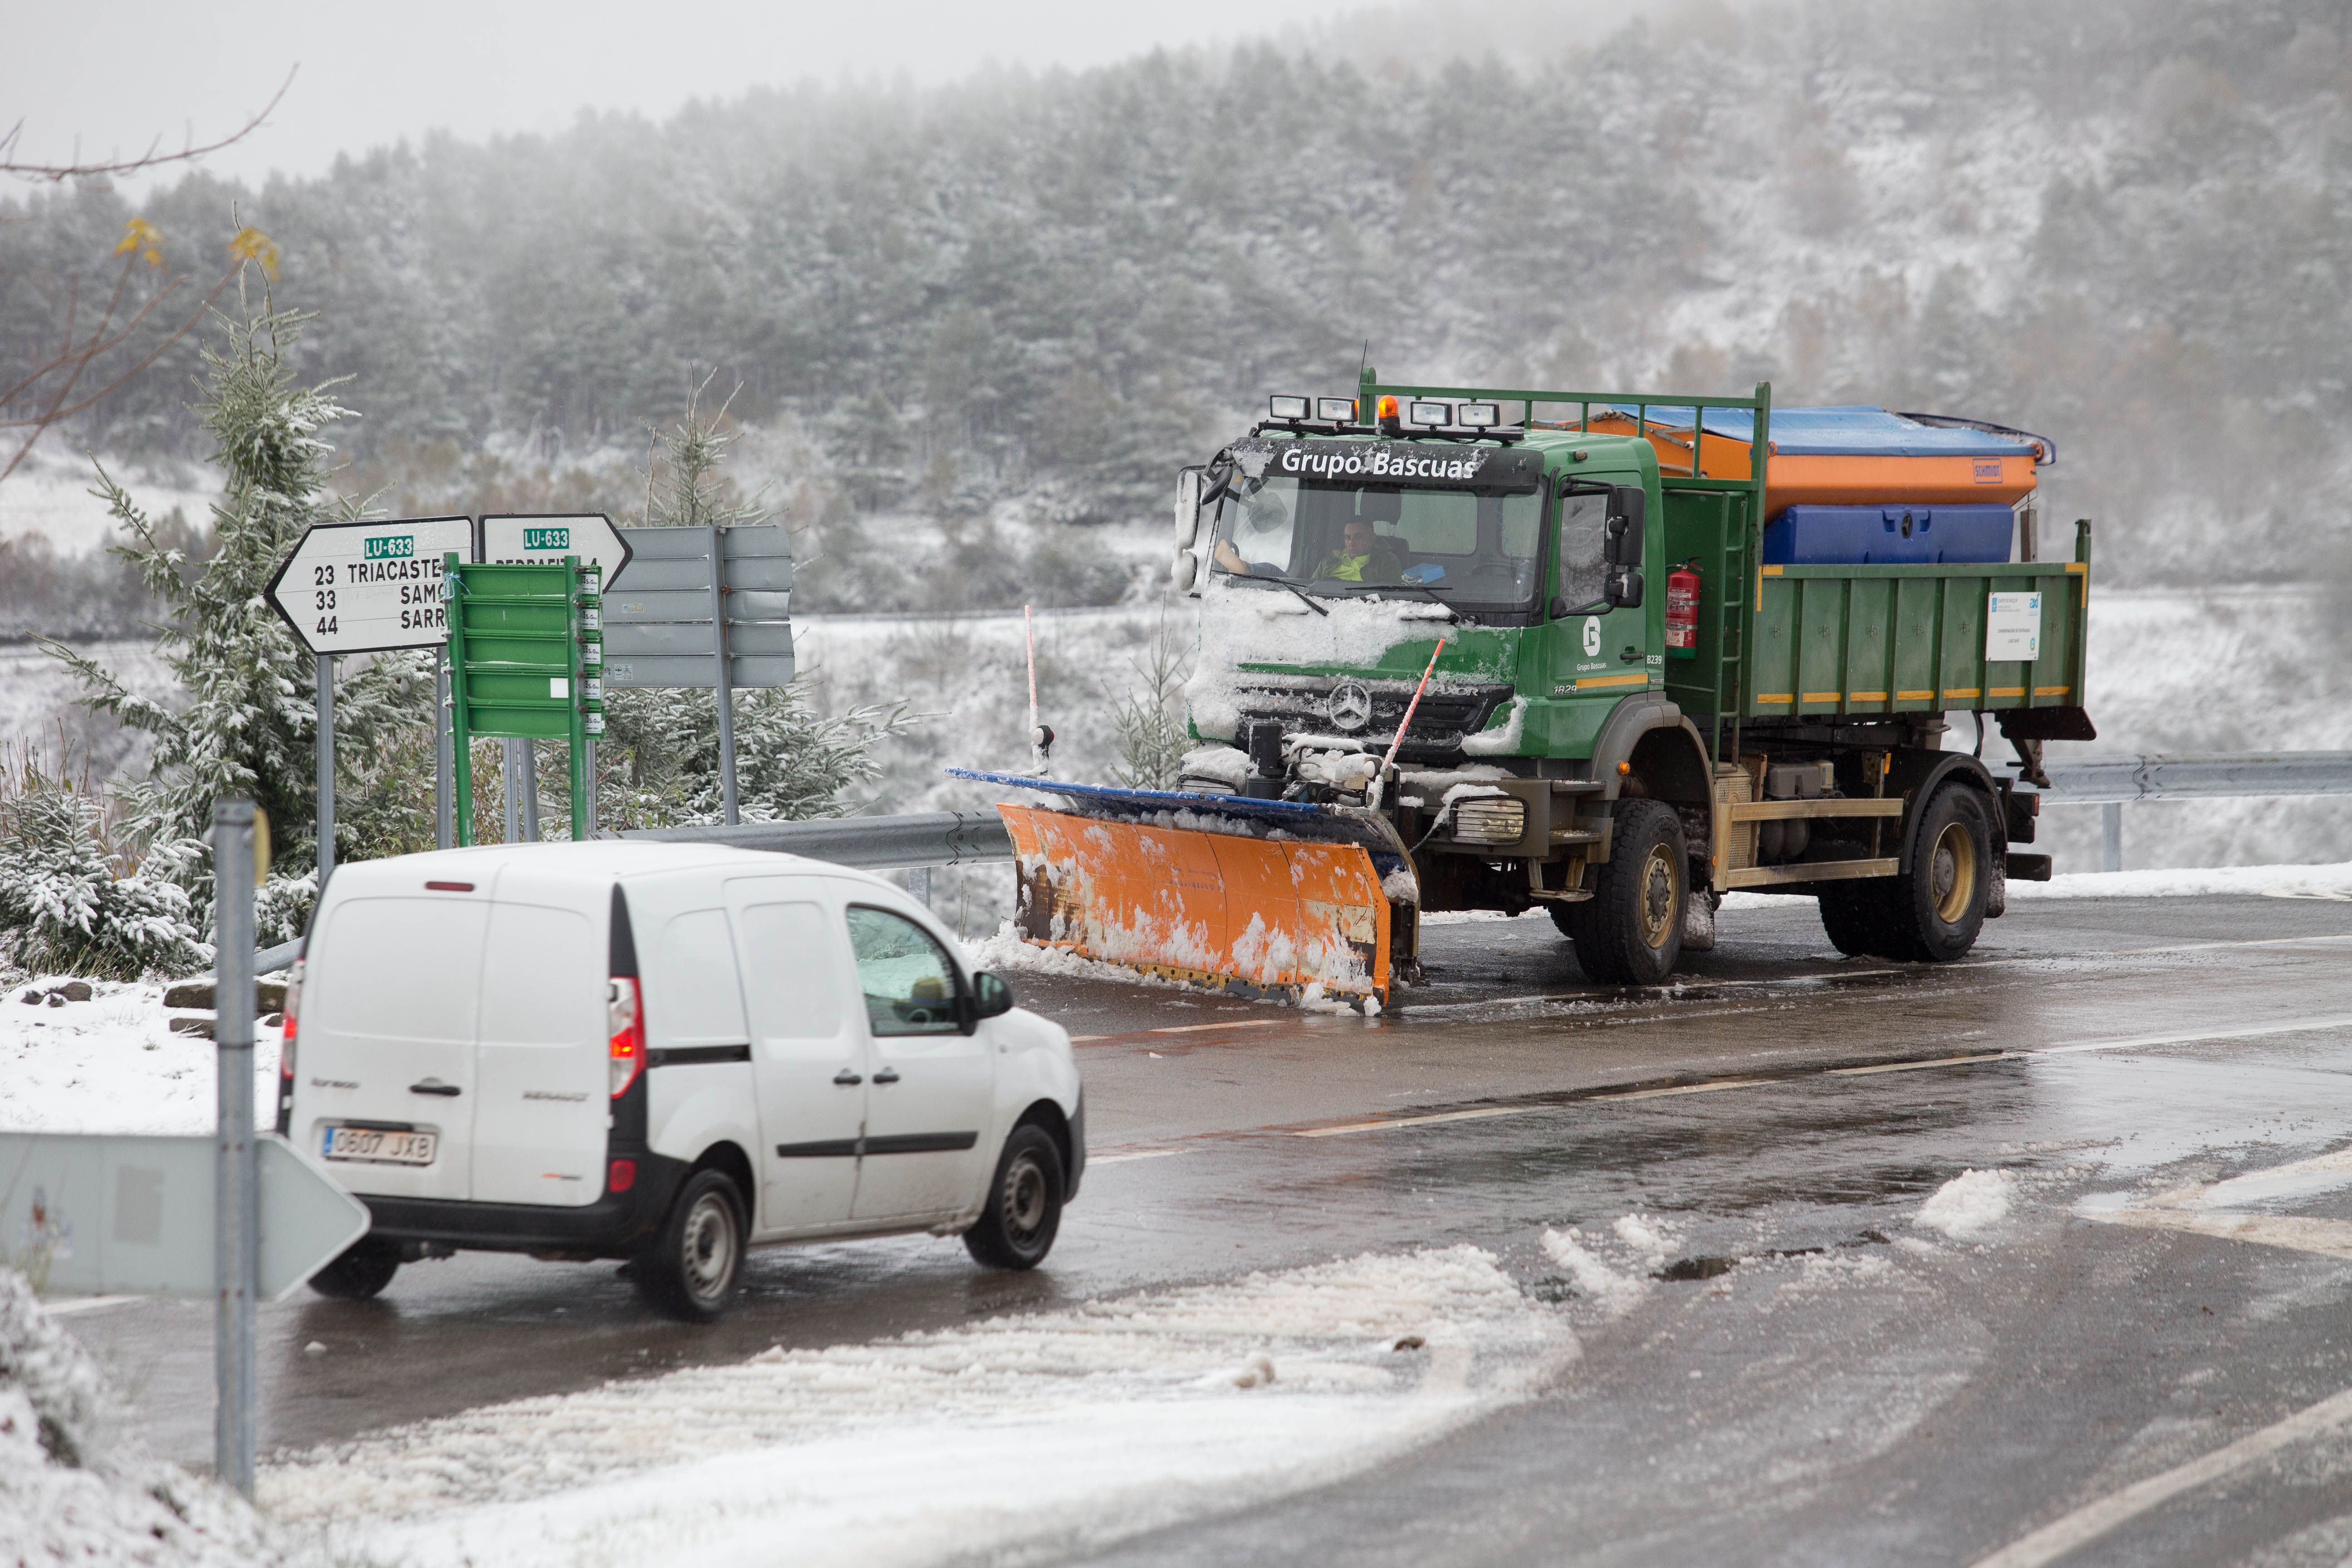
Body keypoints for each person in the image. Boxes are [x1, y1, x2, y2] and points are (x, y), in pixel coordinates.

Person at [1313, 517, 1403, 583]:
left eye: (1359, 537)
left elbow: (1387, 602)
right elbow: (1307, 593)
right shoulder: (1328, 563)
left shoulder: (1387, 562)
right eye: (1348, 538)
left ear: (1372, 539)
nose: (1352, 543)